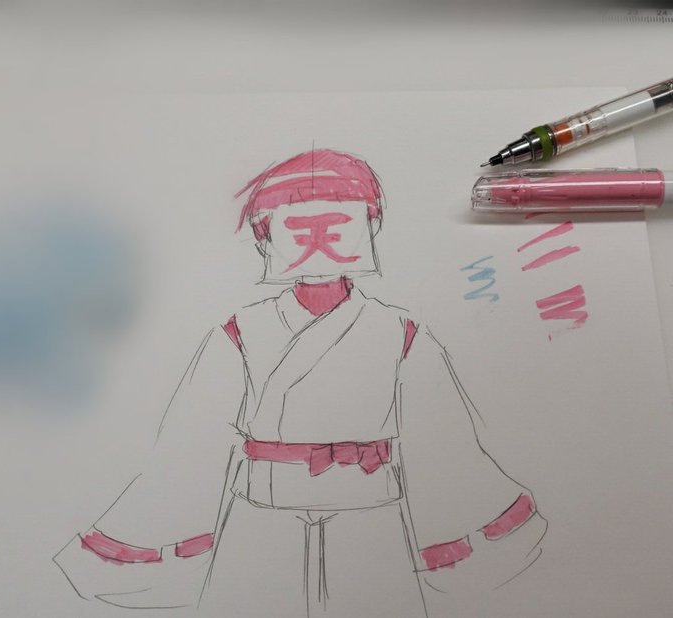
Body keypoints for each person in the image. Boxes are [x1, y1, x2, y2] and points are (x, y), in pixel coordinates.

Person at [54, 148, 547, 617]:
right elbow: (189, 444)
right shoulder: (239, 334)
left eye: (336, 226)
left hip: (371, 517)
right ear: (265, 237)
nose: (318, 241)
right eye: (298, 229)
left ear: (370, 226)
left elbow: (444, 442)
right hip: (261, 517)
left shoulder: (401, 334)